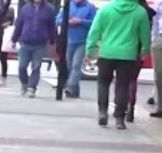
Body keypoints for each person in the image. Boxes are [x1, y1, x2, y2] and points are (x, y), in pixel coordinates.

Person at [86, 0, 151, 129]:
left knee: (103, 83)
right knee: (123, 86)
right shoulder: (140, 12)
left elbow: (95, 30)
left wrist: (90, 48)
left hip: (107, 52)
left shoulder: (106, 9)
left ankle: (103, 112)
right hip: (128, 54)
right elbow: (145, 34)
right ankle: (119, 118)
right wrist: (145, 50)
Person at [11, 0, 56, 97]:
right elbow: (19, 24)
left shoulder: (49, 9)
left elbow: (52, 26)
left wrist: (53, 40)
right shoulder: (25, 8)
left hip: (40, 43)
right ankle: (24, 84)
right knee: (22, 66)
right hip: (25, 42)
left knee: (36, 67)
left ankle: (32, 88)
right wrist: (14, 39)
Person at [56, 0, 97, 98]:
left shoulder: (90, 7)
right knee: (69, 66)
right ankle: (75, 91)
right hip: (69, 41)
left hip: (83, 41)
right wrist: (67, 21)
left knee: (76, 65)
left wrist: (81, 21)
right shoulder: (68, 6)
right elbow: (58, 20)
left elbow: (94, 23)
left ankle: (69, 86)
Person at [151, 0, 162, 117]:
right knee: (159, 75)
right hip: (159, 40)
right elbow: (155, 22)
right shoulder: (157, 4)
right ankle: (160, 107)